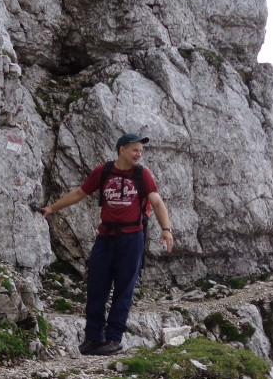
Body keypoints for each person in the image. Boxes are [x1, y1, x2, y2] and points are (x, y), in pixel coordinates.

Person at [41, 133, 174, 355]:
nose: (139, 154)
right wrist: (52, 208)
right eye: (135, 150)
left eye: (141, 151)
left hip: (132, 238)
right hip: (105, 237)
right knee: (96, 286)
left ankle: (113, 338)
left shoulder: (143, 174)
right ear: (121, 149)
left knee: (124, 289)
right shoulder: (103, 171)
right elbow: (79, 192)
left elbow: (157, 202)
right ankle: (93, 339)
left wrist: (167, 230)